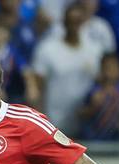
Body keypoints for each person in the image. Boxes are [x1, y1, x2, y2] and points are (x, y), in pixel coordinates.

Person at [27, 2, 103, 135]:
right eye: (71, 21)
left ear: (84, 22)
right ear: (64, 22)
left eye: (78, 21)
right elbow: (37, 88)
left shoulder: (94, 50)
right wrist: (40, 124)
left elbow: (100, 83)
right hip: (54, 125)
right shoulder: (47, 49)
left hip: (85, 127)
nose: (74, 26)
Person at [78, 52, 119, 141]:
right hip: (94, 138)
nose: (113, 71)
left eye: (116, 67)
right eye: (109, 68)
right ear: (102, 70)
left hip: (115, 138)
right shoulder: (95, 90)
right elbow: (80, 113)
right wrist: (93, 107)